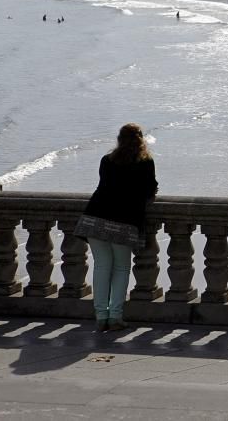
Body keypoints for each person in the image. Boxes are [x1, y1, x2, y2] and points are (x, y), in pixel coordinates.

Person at [73, 124, 158, 332]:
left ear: (119, 139)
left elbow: (104, 184)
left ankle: (101, 315)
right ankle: (115, 316)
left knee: (101, 267)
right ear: (141, 140)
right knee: (121, 269)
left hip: (96, 218)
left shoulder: (107, 160)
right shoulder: (145, 162)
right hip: (124, 222)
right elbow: (149, 189)